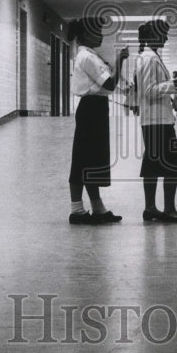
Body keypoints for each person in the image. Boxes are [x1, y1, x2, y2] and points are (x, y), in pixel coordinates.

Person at [67, 16, 129, 225]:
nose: (101, 35)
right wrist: (120, 61)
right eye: (97, 31)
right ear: (85, 35)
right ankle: (77, 210)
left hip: (95, 108)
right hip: (91, 109)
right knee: (83, 159)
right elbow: (110, 84)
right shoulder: (88, 57)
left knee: (91, 159)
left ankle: (97, 209)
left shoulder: (91, 55)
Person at [135, 20, 177, 223]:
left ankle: (150, 208)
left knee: (152, 163)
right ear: (153, 36)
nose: (166, 38)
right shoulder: (149, 59)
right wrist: (176, 83)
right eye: (163, 35)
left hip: (153, 120)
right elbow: (150, 91)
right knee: (174, 162)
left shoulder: (148, 57)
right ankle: (169, 209)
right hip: (157, 121)